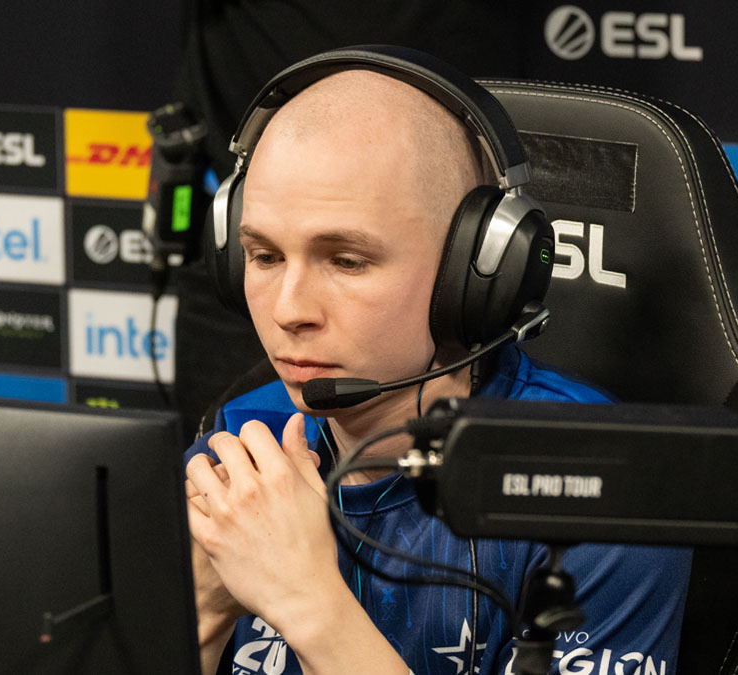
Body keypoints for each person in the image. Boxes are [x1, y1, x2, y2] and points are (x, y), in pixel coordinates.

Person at [183, 55, 691, 675]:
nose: (289, 310)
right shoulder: (237, 445)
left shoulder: (595, 491)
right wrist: (203, 618)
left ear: (476, 273)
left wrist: (309, 603)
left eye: (346, 260)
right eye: (263, 256)